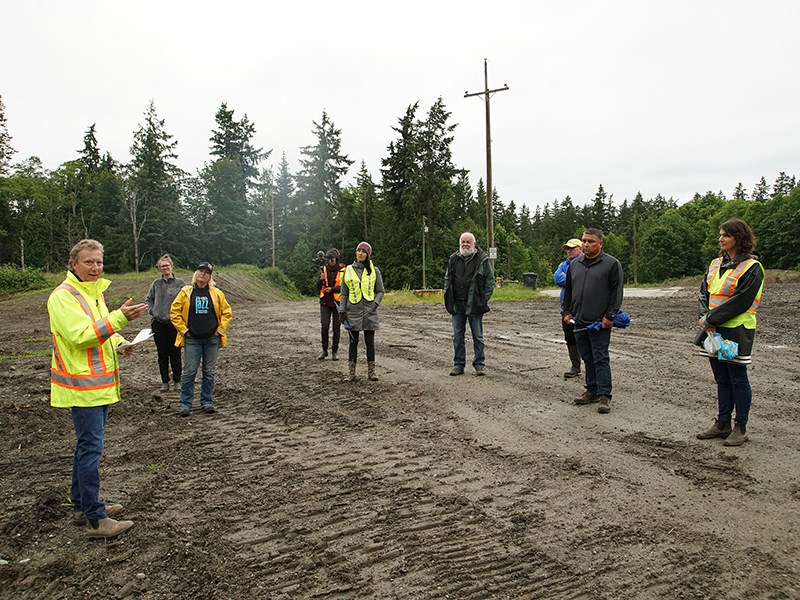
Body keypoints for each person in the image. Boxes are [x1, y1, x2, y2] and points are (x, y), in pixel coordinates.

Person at [48, 239, 148, 538]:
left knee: (86, 448)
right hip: (82, 388)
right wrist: (119, 319)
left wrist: (120, 343)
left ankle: (81, 505)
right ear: (73, 264)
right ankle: (95, 518)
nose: (95, 267)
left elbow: (100, 330)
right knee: (91, 450)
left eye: (99, 262)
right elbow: (80, 336)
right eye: (89, 262)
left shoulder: (93, 294)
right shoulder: (62, 297)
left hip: (98, 387)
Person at [695, 218, 764, 446]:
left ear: (739, 238)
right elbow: (704, 293)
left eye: (726, 235)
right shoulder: (716, 264)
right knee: (721, 378)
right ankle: (722, 423)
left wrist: (709, 319)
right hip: (713, 330)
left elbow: (741, 301)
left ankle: (740, 427)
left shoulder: (752, 267)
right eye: (720, 234)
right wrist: (706, 319)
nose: (721, 238)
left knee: (738, 378)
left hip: (737, 330)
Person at [562, 228, 624, 413]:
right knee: (587, 356)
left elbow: (616, 292)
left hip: (599, 322)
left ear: (600, 243)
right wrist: (566, 312)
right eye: (584, 241)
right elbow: (569, 291)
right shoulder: (575, 264)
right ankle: (591, 390)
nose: (586, 244)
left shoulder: (611, 264)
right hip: (579, 320)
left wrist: (610, 316)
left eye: (590, 241)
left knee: (600, 357)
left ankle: (605, 395)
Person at [170, 262, 232, 417]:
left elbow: (227, 312)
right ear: (196, 273)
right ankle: (185, 404)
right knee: (189, 373)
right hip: (192, 339)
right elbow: (174, 312)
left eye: (206, 272)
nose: (203, 274)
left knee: (209, 372)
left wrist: (220, 331)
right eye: (200, 271)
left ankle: (206, 402)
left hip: (212, 339)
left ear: (210, 276)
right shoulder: (186, 292)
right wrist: (184, 330)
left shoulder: (217, 293)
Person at [443, 232, 495, 376]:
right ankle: (458, 365)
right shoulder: (453, 259)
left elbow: (490, 281)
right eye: (463, 242)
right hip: (457, 304)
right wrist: (447, 295)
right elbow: (447, 279)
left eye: (468, 242)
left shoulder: (482, 259)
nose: (465, 244)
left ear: (474, 243)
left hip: (475, 304)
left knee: (477, 336)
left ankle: (479, 365)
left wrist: (483, 299)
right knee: (457, 336)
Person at [339, 242, 384, 382]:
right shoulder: (348, 270)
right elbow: (344, 293)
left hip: (370, 312)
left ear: (368, 255)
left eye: (364, 252)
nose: (360, 253)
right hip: (352, 311)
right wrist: (342, 310)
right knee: (353, 342)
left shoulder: (374, 270)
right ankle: (351, 374)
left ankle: (372, 373)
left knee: (370, 343)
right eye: (359, 251)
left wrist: (374, 305)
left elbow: (381, 291)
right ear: (356, 252)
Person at [145, 254, 185, 392]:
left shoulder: (180, 284)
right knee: (162, 354)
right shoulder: (156, 284)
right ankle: (165, 382)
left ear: (172, 266)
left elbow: (186, 301)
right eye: (162, 266)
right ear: (159, 269)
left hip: (174, 324)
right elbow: (149, 299)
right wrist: (152, 310)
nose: (165, 268)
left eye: (167, 265)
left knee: (175, 353)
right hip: (158, 324)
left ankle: (177, 381)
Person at [554, 238, 583, 379]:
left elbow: (581, 280)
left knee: (585, 338)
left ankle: (591, 367)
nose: (569, 251)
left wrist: (569, 278)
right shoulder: (563, 264)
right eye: (567, 249)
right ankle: (575, 366)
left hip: (582, 308)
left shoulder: (585, 264)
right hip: (566, 309)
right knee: (570, 337)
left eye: (572, 248)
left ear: (581, 248)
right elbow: (557, 279)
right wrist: (570, 278)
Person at [316, 248, 345, 361]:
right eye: (328, 259)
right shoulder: (322, 269)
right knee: (324, 326)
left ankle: (334, 352)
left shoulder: (343, 270)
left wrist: (332, 289)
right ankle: (324, 350)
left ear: (336, 259)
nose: (329, 262)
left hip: (337, 302)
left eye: (331, 259)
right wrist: (320, 280)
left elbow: (344, 288)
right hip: (325, 302)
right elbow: (318, 287)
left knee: (336, 328)